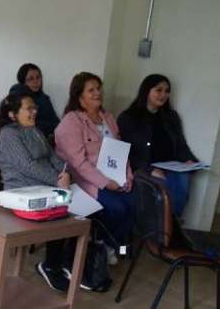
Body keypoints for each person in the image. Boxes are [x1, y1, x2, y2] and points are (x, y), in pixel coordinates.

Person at [0, 93, 85, 291]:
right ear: (13, 114)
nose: (34, 111)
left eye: (34, 108)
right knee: (64, 211)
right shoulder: (9, 134)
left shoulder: (35, 130)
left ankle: (68, 262)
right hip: (22, 191)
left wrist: (65, 172)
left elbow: (53, 158)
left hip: (47, 187)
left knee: (85, 210)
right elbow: (28, 166)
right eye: (29, 108)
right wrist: (57, 180)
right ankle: (51, 265)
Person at [55, 72, 134, 252]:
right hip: (86, 181)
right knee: (118, 208)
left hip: (115, 178)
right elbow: (79, 164)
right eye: (91, 90)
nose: (98, 93)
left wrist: (127, 176)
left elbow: (121, 151)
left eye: (99, 89)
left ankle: (114, 248)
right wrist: (107, 183)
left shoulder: (108, 118)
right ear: (79, 96)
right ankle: (105, 247)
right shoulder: (71, 121)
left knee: (135, 203)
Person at [118, 74, 197, 217]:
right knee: (162, 189)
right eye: (158, 90)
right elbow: (124, 152)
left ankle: (171, 223)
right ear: (147, 91)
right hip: (143, 167)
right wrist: (149, 169)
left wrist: (189, 161)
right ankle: (163, 226)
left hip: (171, 166)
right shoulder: (129, 117)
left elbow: (180, 144)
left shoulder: (171, 117)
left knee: (183, 180)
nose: (163, 95)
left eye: (167, 91)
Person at [9, 63, 60, 138]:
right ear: (23, 82)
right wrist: (46, 126)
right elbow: (25, 124)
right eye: (31, 79)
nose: (36, 81)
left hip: (45, 139)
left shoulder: (45, 98)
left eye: (38, 77)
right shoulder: (17, 98)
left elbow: (57, 124)